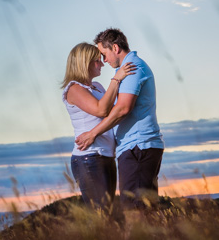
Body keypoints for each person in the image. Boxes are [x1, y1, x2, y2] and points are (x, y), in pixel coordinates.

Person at [75, 28, 164, 208]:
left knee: (134, 211)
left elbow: (123, 109)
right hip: (137, 147)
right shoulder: (128, 68)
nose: (103, 60)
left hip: (138, 147)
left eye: (104, 54)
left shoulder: (133, 68)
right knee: (144, 210)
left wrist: (92, 134)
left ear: (115, 48)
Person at [61, 42, 135, 208]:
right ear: (84, 62)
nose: (102, 63)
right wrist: (117, 78)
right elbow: (101, 110)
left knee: (108, 212)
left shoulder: (98, 87)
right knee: (101, 214)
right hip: (88, 157)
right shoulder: (74, 88)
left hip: (106, 156)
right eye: (97, 60)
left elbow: (115, 112)